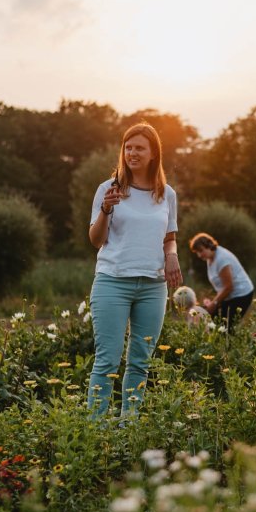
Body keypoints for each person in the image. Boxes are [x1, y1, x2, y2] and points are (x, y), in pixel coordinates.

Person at [87, 123, 182, 417]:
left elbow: (170, 240)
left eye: (139, 147)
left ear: (153, 153)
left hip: (153, 287)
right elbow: (95, 239)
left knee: (141, 362)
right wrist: (105, 210)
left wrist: (172, 256)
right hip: (112, 282)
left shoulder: (166, 194)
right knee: (107, 361)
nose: (132, 153)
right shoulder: (109, 189)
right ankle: (96, 429)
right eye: (128, 147)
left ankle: (130, 428)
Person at [189, 232, 255, 330]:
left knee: (225, 327)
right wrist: (212, 301)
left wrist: (214, 304)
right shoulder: (210, 257)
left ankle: (232, 343)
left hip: (241, 294)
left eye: (200, 251)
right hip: (229, 295)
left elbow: (228, 287)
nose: (199, 255)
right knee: (215, 321)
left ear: (209, 246)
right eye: (197, 252)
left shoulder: (222, 259)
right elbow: (222, 285)